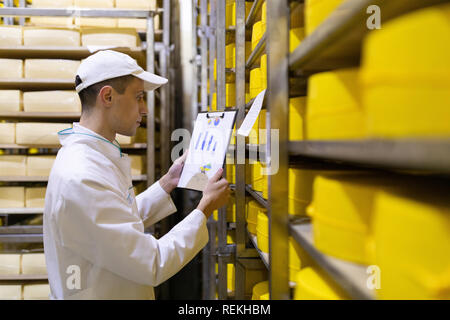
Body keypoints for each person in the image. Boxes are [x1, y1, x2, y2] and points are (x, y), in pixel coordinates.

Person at [43, 50, 230, 299]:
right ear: (107, 96)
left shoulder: (93, 158)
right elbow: (152, 263)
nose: (145, 110)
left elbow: (116, 221)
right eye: (139, 97)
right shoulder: (82, 175)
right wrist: (204, 209)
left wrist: (167, 183)